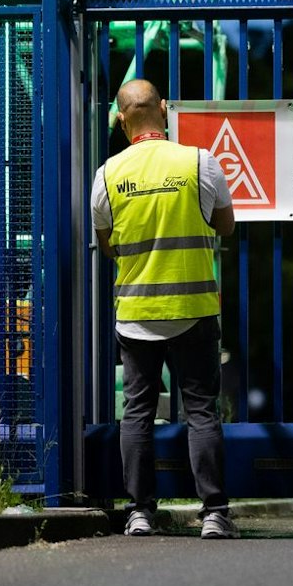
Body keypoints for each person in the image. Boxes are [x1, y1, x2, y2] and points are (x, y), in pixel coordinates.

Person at [90, 78, 238, 539]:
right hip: (193, 309)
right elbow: (226, 226)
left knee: (136, 412)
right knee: (201, 411)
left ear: (120, 119)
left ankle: (139, 512)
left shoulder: (108, 174)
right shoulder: (200, 162)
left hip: (136, 316)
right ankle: (214, 512)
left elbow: (107, 244)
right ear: (165, 109)